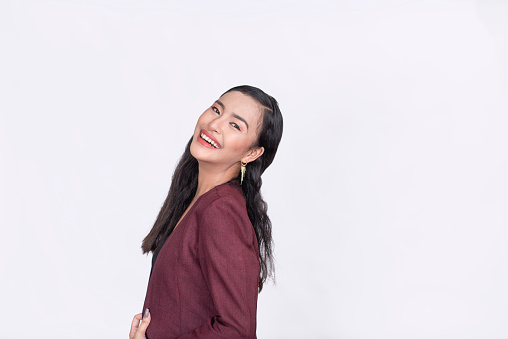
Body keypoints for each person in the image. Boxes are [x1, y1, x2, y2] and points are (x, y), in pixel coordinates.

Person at [129, 85, 283, 339]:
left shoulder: (221, 210)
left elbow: (236, 330)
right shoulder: (197, 199)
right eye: (216, 110)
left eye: (235, 125)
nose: (215, 124)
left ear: (252, 153)